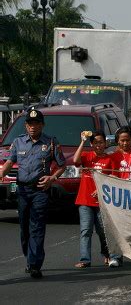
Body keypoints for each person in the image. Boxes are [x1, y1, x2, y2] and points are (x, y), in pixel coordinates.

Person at [0, 109, 65, 279]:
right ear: (26, 126)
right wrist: (0, 174)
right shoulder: (18, 142)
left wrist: (52, 178)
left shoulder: (51, 142)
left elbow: (62, 165)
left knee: (37, 226)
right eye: (30, 124)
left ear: (42, 125)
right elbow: (9, 163)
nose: (33, 127)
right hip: (22, 190)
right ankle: (29, 258)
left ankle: (35, 264)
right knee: (24, 228)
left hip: (40, 190)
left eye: (36, 124)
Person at [73, 130, 116, 269]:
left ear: (105, 143)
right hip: (84, 201)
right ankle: (85, 259)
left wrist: (100, 190)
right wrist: (82, 141)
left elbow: (112, 180)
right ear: (92, 144)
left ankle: (108, 254)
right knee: (86, 230)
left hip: (101, 201)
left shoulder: (109, 159)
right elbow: (75, 161)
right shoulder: (87, 156)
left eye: (101, 142)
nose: (99, 145)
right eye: (96, 142)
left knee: (103, 230)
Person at [109, 126, 131, 267]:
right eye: (122, 140)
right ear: (117, 141)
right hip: (118, 198)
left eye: (127, 140)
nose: (125, 143)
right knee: (116, 228)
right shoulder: (113, 156)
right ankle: (115, 256)